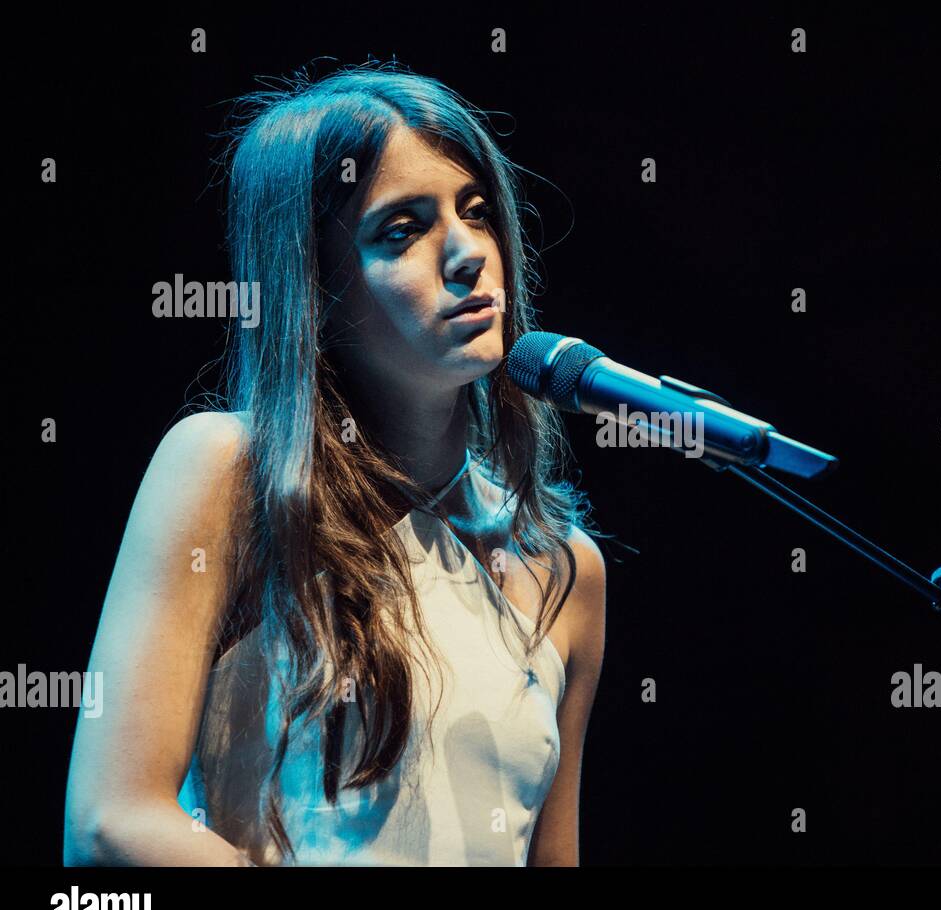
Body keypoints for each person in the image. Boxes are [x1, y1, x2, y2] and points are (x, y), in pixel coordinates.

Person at [62, 63, 607, 866]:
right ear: (315, 291)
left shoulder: (565, 570)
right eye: (401, 229)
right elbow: (112, 821)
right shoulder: (228, 472)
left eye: (478, 212)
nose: (466, 254)